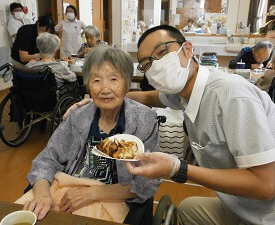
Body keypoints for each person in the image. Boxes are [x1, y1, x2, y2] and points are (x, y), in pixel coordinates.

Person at [65, 25, 275, 225]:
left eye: (162, 51)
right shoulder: (184, 94)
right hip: (240, 205)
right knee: (186, 209)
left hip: (267, 213)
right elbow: (149, 97)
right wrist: (102, 97)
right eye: (147, 64)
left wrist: (177, 168)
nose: (156, 64)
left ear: (188, 49)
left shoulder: (231, 97)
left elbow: (266, 184)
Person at [23, 45, 161, 224]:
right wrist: (42, 194)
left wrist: (93, 193)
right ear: (88, 85)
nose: (105, 89)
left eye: (113, 79)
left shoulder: (143, 120)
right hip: (71, 190)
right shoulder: (78, 116)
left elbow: (147, 182)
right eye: (96, 80)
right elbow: (47, 159)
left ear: (127, 84)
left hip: (114, 199)